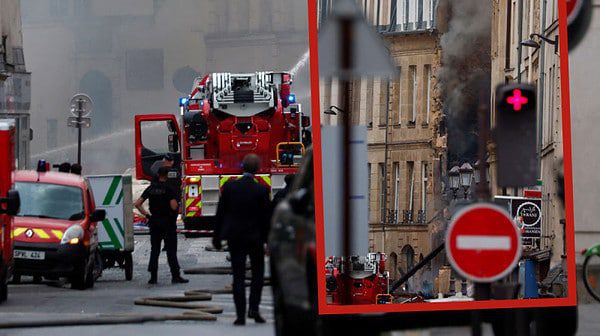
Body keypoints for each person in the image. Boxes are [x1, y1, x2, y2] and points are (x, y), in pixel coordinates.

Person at [214, 154, 270, 325]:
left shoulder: (230, 188)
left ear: (242, 167)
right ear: (257, 170)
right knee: (257, 275)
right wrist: (268, 241)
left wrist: (217, 237)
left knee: (238, 276)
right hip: (255, 238)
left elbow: (221, 213)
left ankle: (240, 316)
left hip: (235, 237)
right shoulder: (261, 190)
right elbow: (266, 218)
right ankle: (254, 308)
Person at [134, 166, 188, 285]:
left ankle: (153, 277)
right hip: (167, 222)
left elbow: (137, 204)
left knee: (155, 250)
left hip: (155, 222)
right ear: (167, 175)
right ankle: (175, 276)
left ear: (158, 174)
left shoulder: (151, 188)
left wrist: (148, 216)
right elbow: (174, 206)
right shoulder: (169, 189)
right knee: (171, 250)